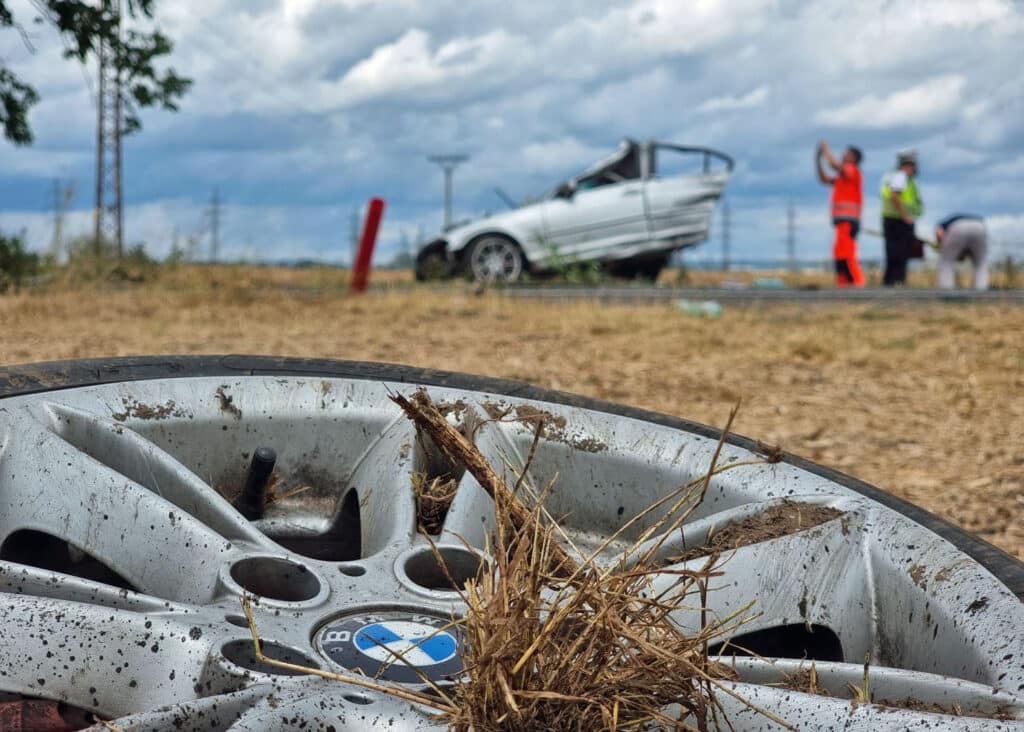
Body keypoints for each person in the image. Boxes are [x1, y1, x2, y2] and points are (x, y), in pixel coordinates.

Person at [816, 141, 864, 287]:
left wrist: (825, 151)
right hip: (842, 221)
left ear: (854, 158)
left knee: (846, 253)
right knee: (839, 254)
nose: (843, 155)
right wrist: (818, 160)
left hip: (848, 221)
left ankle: (857, 283)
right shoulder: (842, 178)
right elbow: (824, 179)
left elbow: (835, 166)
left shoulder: (852, 170)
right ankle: (843, 285)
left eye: (847, 153)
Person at [880, 150, 923, 285]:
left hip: (893, 219)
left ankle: (891, 280)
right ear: (907, 165)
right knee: (899, 252)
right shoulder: (900, 176)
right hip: (898, 220)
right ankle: (897, 280)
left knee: (893, 251)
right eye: (913, 166)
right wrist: (905, 217)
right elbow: (895, 196)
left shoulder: (894, 176)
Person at [935, 214, 988, 290]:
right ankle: (981, 292)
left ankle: (946, 292)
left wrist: (941, 246)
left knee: (946, 262)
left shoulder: (942, 224)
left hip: (958, 227)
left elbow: (939, 232)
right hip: (980, 226)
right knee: (981, 264)